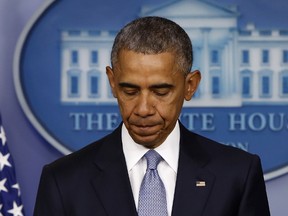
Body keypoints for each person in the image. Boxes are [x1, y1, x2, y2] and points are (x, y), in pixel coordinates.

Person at [34, 16, 270, 216]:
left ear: (190, 85)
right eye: (130, 91)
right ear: (112, 83)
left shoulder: (238, 175)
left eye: (161, 91)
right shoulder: (63, 181)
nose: (143, 108)